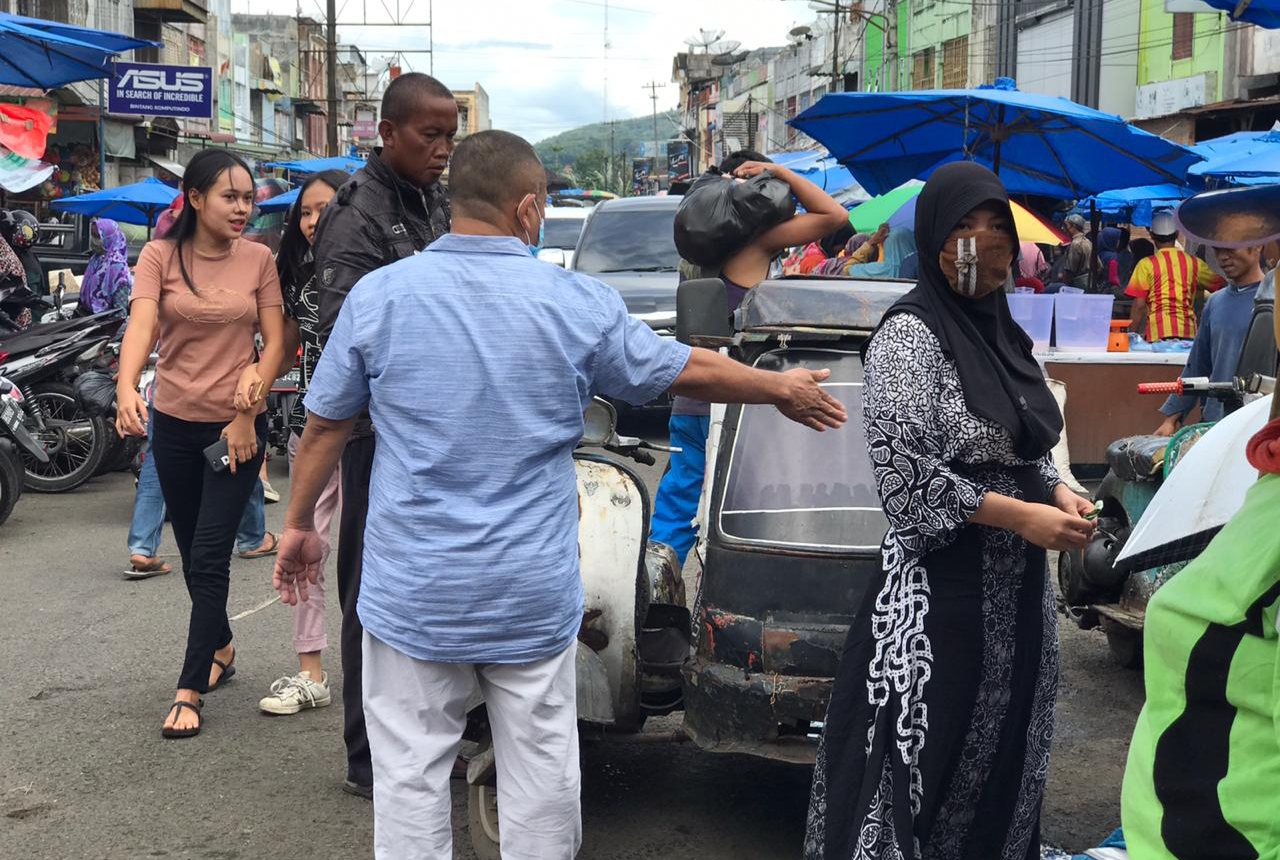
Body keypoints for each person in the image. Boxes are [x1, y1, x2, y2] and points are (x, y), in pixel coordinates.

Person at [275, 128, 847, 860]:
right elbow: (679, 367)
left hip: (414, 593)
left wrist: (298, 528)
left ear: (454, 206)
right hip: (528, 594)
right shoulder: (575, 301)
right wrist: (778, 387)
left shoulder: (381, 296)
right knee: (540, 776)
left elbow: (325, 425)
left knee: (411, 778)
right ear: (527, 208)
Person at [803, 162, 1095, 860]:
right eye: (964, 225)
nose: (982, 241)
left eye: (996, 227)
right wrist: (1023, 517)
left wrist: (1056, 489)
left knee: (1001, 752)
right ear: (933, 232)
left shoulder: (1003, 332)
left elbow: (1022, 440)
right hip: (937, 596)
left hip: (1017, 590)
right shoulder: (910, 333)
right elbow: (904, 483)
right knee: (918, 763)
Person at [313, 71, 457, 798]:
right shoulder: (355, 215)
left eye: (450, 137)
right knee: (370, 595)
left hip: (439, 432)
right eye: (430, 136)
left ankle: (434, 734)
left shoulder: (435, 199)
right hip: (376, 435)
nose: (442, 151)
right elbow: (347, 346)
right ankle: (368, 757)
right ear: (387, 133)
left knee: (433, 588)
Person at [114, 149, 286, 738]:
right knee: (191, 550)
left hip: (236, 429)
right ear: (194, 198)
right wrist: (125, 387)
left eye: (248, 198)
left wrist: (249, 407)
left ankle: (189, 689)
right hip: (174, 425)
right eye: (230, 197)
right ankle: (224, 647)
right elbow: (142, 324)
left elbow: (278, 341)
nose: (243, 208)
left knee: (211, 554)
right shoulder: (159, 255)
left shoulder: (260, 259)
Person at [650, 155, 849, 565]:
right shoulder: (758, 242)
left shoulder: (695, 245)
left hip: (692, 394)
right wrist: (780, 173)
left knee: (677, 505)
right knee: (745, 508)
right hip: (741, 399)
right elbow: (834, 216)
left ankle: (654, 595)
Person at [257, 169, 349, 717]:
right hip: (311, 429)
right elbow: (285, 344)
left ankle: (384, 674)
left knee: (374, 555)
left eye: (327, 210)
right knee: (304, 545)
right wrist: (252, 394)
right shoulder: (293, 270)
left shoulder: (375, 269)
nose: (314, 222)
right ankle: (310, 673)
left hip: (372, 435)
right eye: (307, 213)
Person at [1153, 238, 1263, 435]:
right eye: (1217, 250)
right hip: (1215, 423)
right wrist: (1172, 417)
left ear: (1257, 245)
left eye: (1230, 247)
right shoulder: (1215, 302)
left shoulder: (1273, 299)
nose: (1222, 257)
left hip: (1260, 423)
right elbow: (1197, 365)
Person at [1126, 211, 1224, 343]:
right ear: (1177, 234)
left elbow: (1139, 305)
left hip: (1157, 334)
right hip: (1188, 333)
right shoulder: (1194, 263)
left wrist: (1131, 336)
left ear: (1152, 235)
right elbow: (1221, 287)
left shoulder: (1146, 264)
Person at [79, 219, 132, 314]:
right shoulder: (95, 259)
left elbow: (120, 309)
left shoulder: (117, 265)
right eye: (92, 235)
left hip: (104, 322)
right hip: (87, 318)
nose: (93, 240)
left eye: (97, 236)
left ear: (108, 237)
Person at [844, 227, 916, 279]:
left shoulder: (880, 270)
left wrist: (870, 243)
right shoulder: (922, 269)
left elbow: (848, 269)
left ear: (888, 246)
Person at [1057, 213, 1094, 290]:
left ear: (1073, 226)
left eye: (1066, 225)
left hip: (1077, 286)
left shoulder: (1075, 244)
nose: (1063, 228)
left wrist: (1065, 287)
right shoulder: (1088, 242)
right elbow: (1099, 266)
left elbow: (1070, 270)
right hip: (1089, 283)